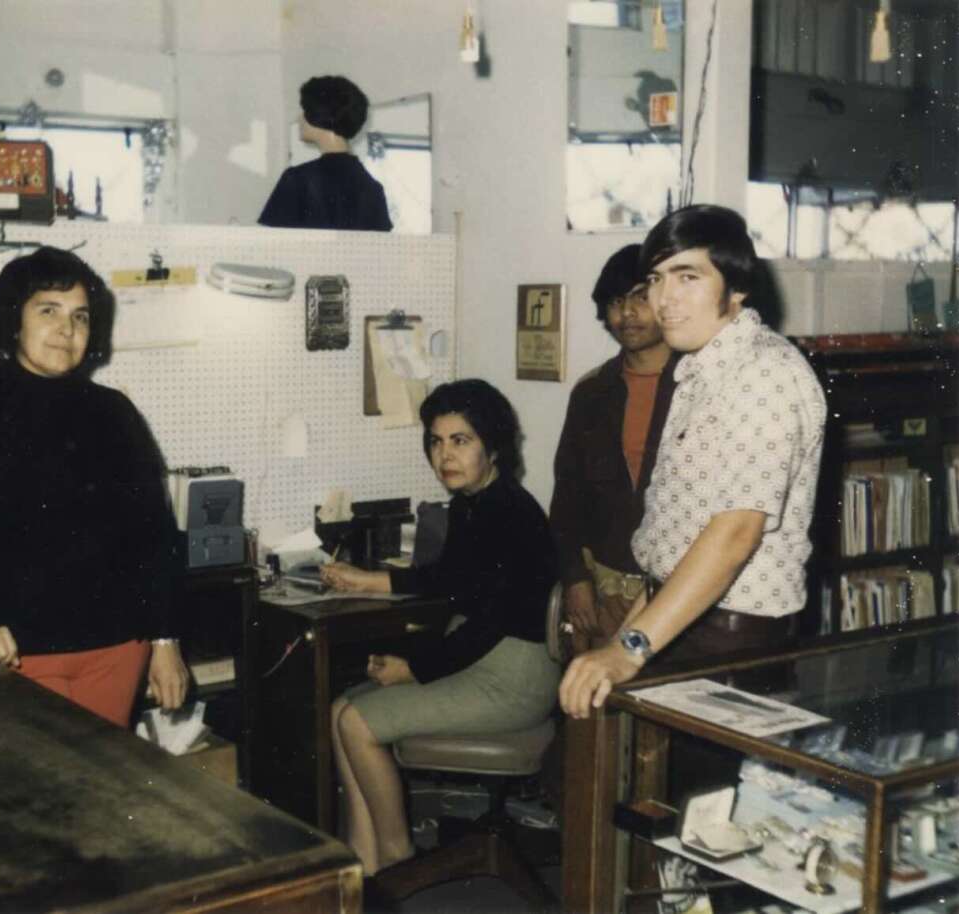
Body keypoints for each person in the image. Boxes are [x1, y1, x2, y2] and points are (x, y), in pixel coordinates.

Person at [559, 204, 826, 718]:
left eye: (688, 277)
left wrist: (627, 648)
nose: (664, 299)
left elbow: (732, 536)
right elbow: (677, 545)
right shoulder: (700, 370)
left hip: (729, 639)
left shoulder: (764, 374)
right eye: (657, 278)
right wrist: (627, 640)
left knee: (705, 796)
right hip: (680, 621)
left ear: (737, 287)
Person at [0, 246, 189, 728]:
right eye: (49, 310)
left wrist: (165, 643)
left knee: (103, 792)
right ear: (13, 320)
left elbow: (153, 534)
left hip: (114, 650)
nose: (67, 328)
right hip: (11, 653)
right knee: (24, 796)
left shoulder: (113, 412)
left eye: (80, 316)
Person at [320, 379, 559, 875]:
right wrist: (367, 581)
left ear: (492, 446)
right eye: (435, 440)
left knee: (356, 722)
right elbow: (447, 580)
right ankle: (362, 865)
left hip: (512, 678)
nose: (444, 455)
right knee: (341, 707)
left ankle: (396, 856)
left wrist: (415, 669)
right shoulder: (475, 503)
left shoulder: (511, 515)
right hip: (480, 662)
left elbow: (490, 622)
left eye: (460, 440)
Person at [549, 244, 676, 653]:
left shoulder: (699, 386)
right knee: (596, 710)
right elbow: (567, 496)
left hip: (675, 596)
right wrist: (575, 580)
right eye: (616, 302)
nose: (628, 313)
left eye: (641, 297)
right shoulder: (591, 392)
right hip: (605, 593)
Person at [258, 75, 393, 231]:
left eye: (305, 110)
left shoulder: (297, 179)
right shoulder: (372, 188)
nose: (300, 118)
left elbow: (269, 249)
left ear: (321, 115)